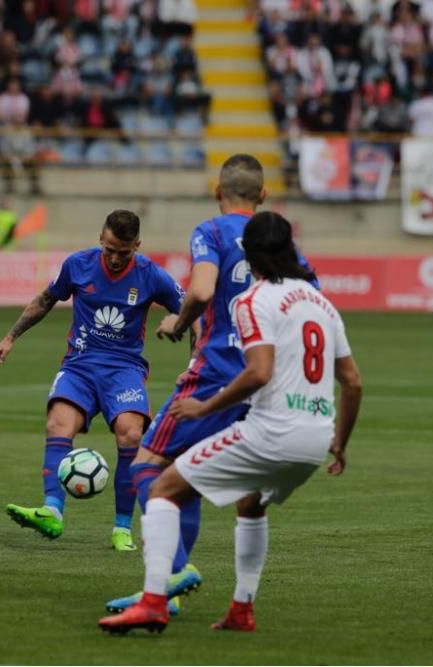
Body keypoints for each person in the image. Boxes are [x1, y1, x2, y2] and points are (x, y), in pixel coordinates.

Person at [98, 212, 362, 634]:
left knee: (158, 480)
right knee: (250, 504)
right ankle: (242, 609)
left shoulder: (251, 301)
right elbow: (351, 382)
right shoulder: (322, 303)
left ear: (250, 254)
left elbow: (257, 372)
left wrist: (204, 409)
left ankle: (154, 601)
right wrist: (341, 443)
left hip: (272, 433)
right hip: (315, 439)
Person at [105, 154, 319, 614]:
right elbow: (310, 297)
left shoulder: (212, 232)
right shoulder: (281, 243)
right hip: (268, 381)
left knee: (147, 465)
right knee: (191, 478)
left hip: (219, 371)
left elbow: (201, 291)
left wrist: (178, 324)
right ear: (263, 196)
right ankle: (184, 596)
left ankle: (172, 574)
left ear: (217, 192)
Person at [0, 210, 184, 552]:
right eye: (109, 249)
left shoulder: (152, 275)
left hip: (124, 368)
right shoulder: (78, 264)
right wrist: (10, 338)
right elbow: (45, 301)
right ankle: (52, 511)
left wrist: (180, 330)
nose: (115, 258)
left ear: (137, 245)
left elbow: (192, 309)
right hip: (79, 365)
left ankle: (122, 527)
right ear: (100, 238)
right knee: (57, 424)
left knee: (131, 433)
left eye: (124, 252)